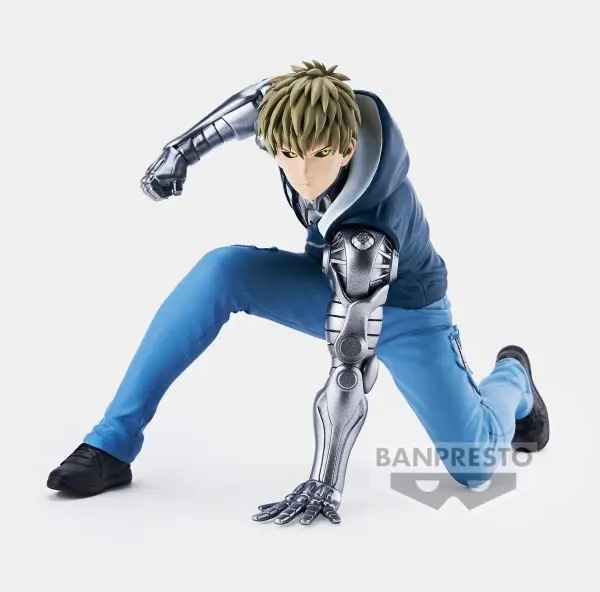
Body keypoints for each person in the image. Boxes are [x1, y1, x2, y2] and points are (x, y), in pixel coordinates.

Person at [47, 60, 549, 525]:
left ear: (347, 146)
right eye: (288, 155)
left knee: (474, 466)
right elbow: (248, 109)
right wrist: (178, 154)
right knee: (221, 270)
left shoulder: (369, 231)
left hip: (407, 314)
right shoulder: (295, 122)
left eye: (320, 155)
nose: (304, 172)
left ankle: (513, 378)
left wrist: (324, 482)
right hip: (324, 281)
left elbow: (350, 366)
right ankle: (111, 444)